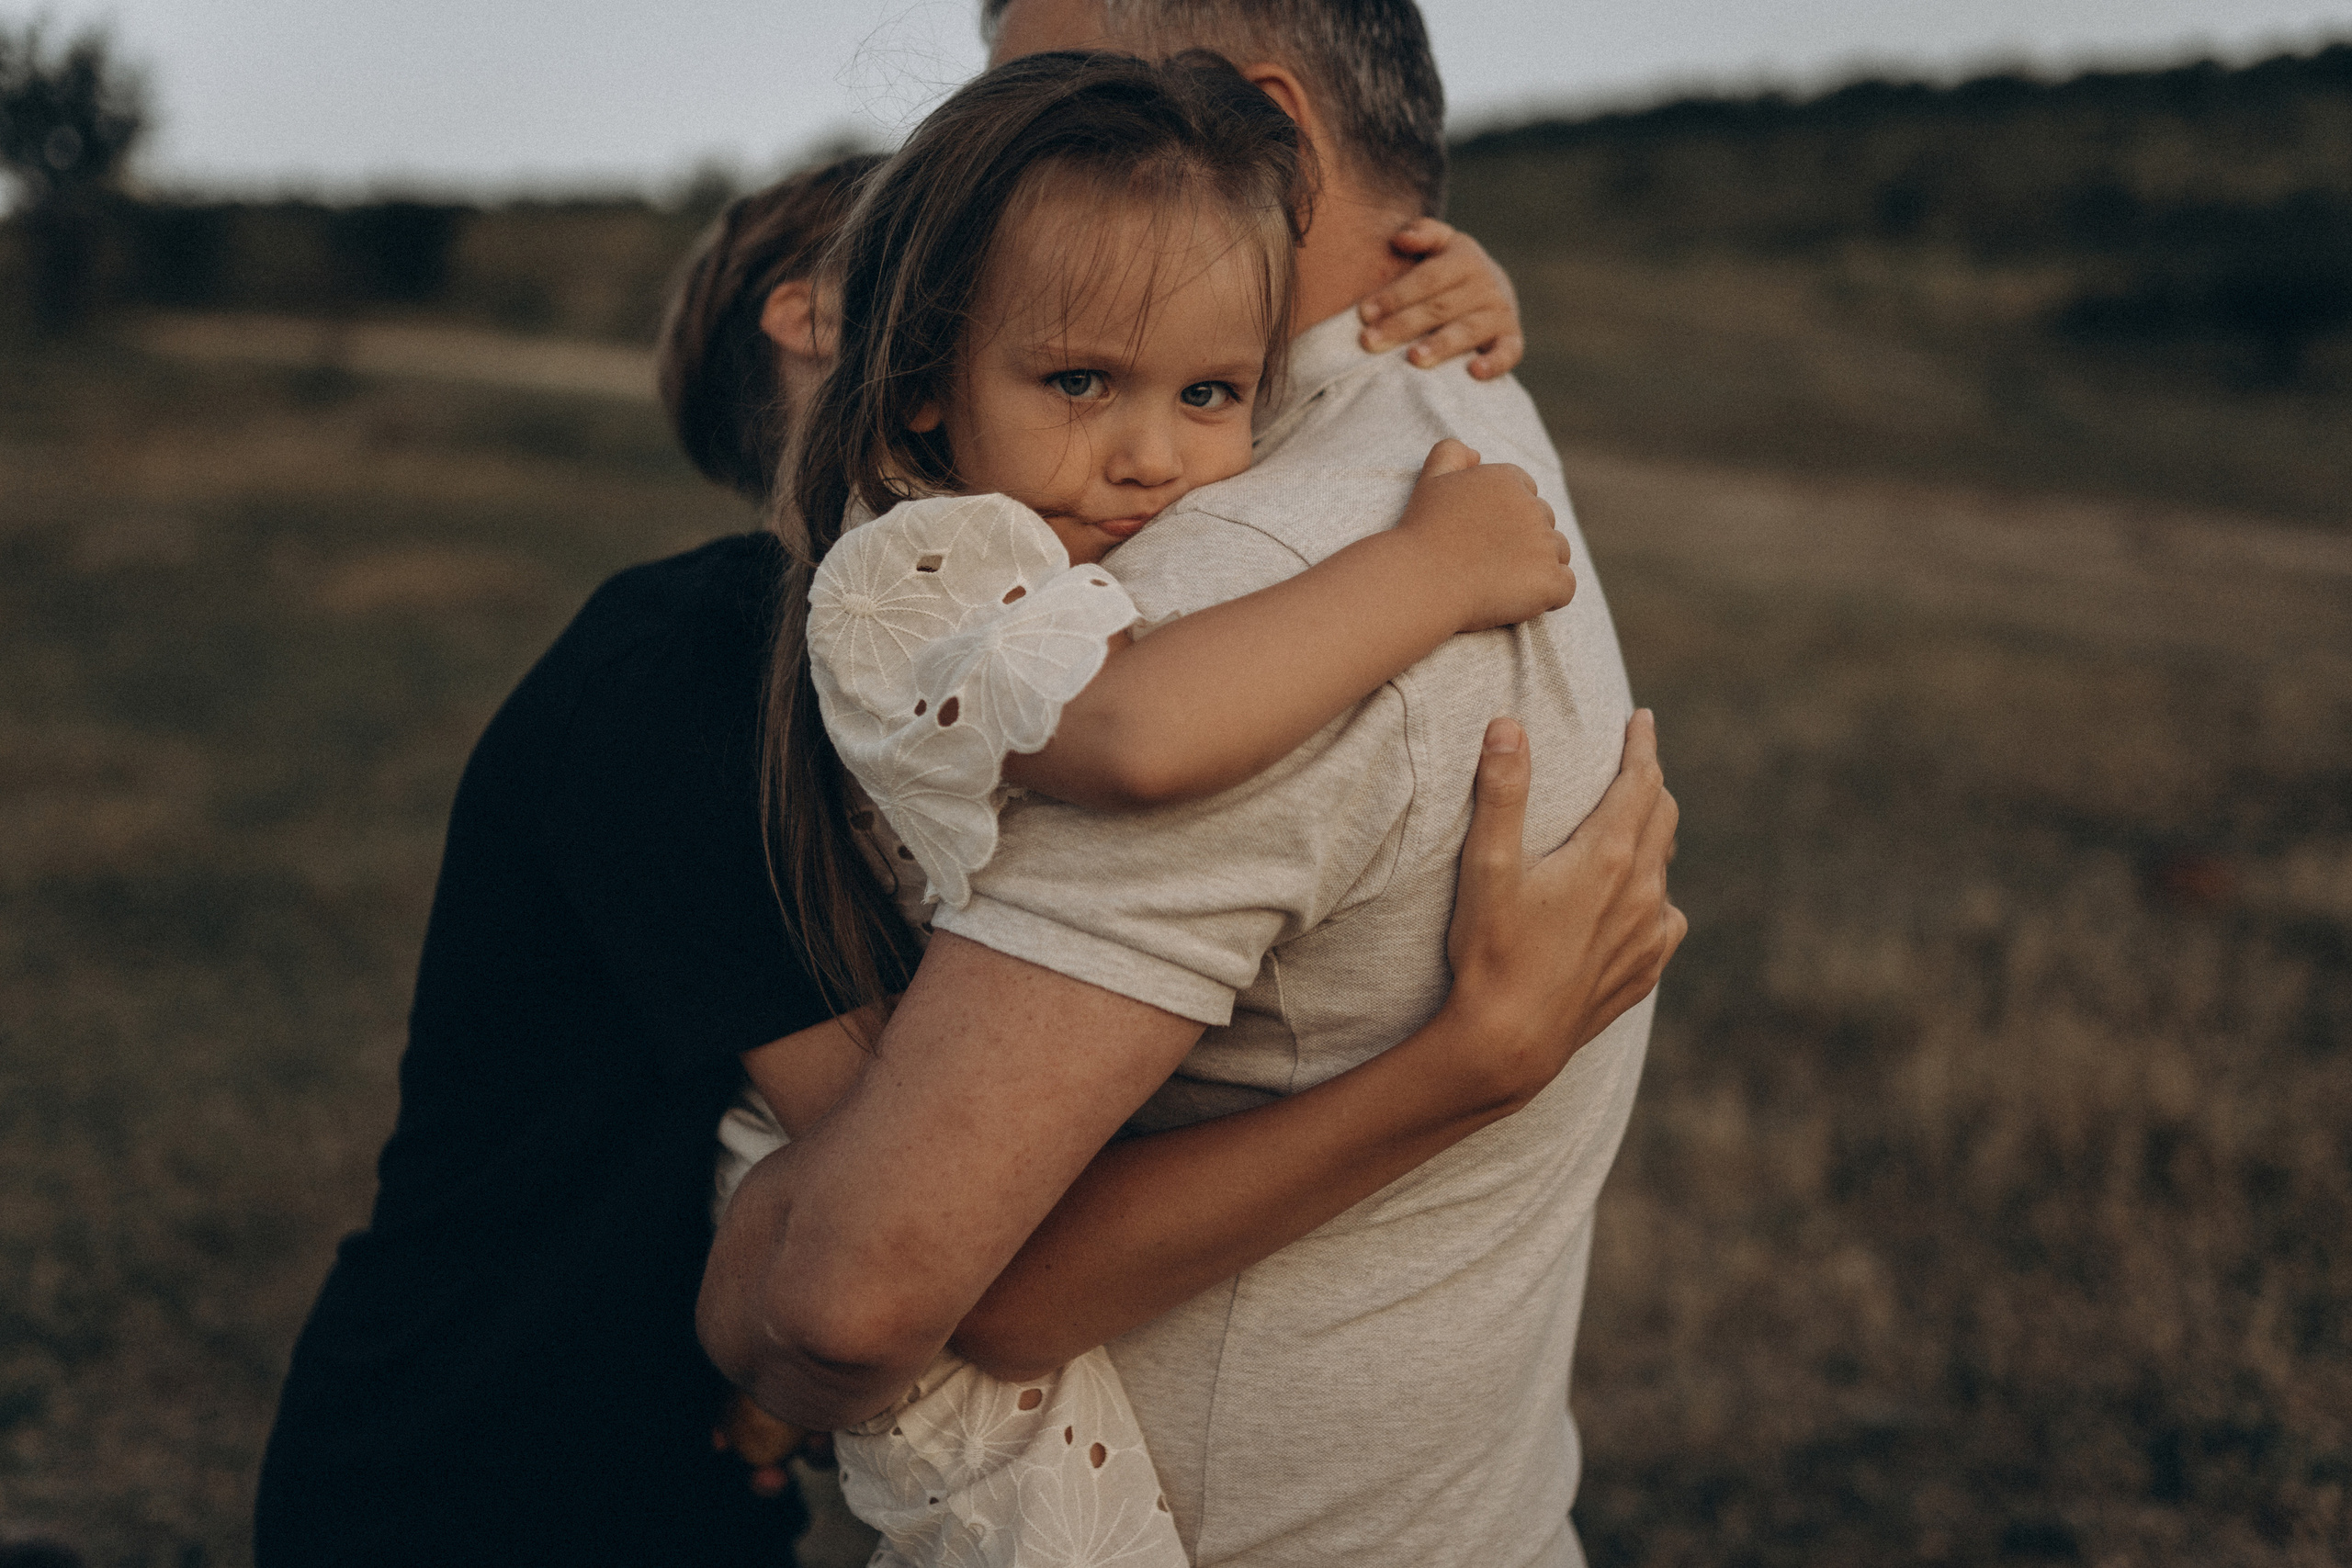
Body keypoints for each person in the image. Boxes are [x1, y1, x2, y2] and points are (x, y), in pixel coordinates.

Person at [252, 68, 1663, 1568]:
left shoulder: (989, 579)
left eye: (1210, 383)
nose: (1148, 450)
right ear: (866, 328)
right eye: (1068, 361)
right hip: (488, 1459)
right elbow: (892, 1247)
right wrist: (1431, 578)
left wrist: (1431, 284)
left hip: (688, 1449)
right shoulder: (758, 642)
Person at [699, 3, 1681, 1565]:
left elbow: (851, 1299)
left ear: (1264, 139)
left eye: (1061, 98)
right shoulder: (1443, 446)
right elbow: (1131, 733)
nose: (1002, 156)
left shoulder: (1249, 571)